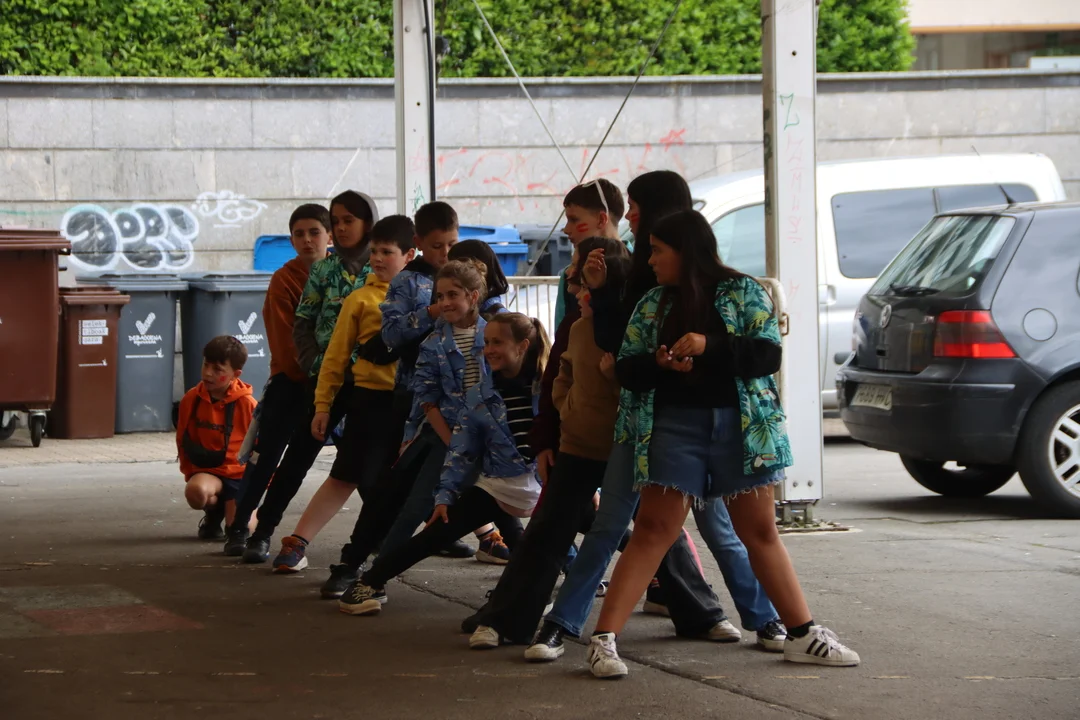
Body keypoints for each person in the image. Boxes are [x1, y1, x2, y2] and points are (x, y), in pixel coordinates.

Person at [588, 209, 860, 679]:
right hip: (672, 427)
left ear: (685, 251)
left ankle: (801, 634)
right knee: (653, 529)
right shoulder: (653, 302)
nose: (650, 260)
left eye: (657, 251)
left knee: (760, 532)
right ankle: (602, 642)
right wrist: (660, 364)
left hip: (744, 430)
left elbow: (766, 354)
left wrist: (708, 344)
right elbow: (629, 369)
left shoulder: (744, 291)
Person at [526, 171, 738, 663]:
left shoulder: (720, 290)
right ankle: (570, 625)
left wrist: (698, 352)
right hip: (631, 422)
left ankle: (763, 618)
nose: (632, 215)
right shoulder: (639, 283)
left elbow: (757, 354)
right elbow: (611, 353)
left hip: (684, 426)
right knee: (628, 528)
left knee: (709, 529)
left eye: (637, 205)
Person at [466, 237, 631, 649]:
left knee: (650, 532)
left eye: (584, 280)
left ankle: (700, 609)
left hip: (628, 443)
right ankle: (511, 620)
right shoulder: (577, 325)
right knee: (548, 530)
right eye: (576, 279)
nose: (574, 286)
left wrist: (612, 379)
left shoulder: (631, 324)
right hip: (577, 443)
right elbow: (560, 375)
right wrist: (558, 420)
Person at [337, 313, 548, 616]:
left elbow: (570, 435)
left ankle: (562, 591)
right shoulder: (480, 395)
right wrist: (445, 496)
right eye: (486, 342)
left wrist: (589, 486)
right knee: (436, 531)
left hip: (548, 483)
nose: (488, 350)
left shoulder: (550, 387)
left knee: (595, 530)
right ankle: (369, 583)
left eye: (497, 342)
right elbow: (461, 449)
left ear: (522, 345)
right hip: (497, 484)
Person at [270, 215, 416, 578]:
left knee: (412, 482)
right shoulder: (359, 300)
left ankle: (486, 533)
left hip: (412, 407)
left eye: (387, 252)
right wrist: (323, 405)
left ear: (409, 255)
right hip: (368, 402)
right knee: (345, 475)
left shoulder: (425, 298)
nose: (378, 258)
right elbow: (335, 358)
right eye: (374, 251)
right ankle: (298, 542)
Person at [241, 190, 378, 564]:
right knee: (296, 459)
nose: (342, 228)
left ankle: (381, 536)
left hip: (371, 386)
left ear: (368, 223)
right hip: (325, 383)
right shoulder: (322, 271)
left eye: (349, 220)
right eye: (337, 221)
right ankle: (262, 532)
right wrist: (317, 367)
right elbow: (303, 325)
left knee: (369, 464)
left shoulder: (381, 267)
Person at [224, 203, 331, 556]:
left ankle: (264, 532)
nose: (307, 240)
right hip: (292, 381)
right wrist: (320, 373)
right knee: (264, 458)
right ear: (291, 239)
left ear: (329, 236)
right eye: (299, 234)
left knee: (301, 464)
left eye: (314, 232)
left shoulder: (344, 277)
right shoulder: (284, 280)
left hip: (331, 387)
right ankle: (240, 527)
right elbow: (285, 345)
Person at [178, 336, 258, 539]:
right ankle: (214, 512)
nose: (208, 373)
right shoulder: (191, 399)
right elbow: (182, 438)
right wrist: (189, 472)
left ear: (235, 374)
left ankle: (244, 508)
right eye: (206, 364)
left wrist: (259, 486)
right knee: (195, 493)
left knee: (240, 532)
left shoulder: (248, 404)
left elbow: (262, 447)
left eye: (218, 369)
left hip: (239, 477)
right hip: (210, 472)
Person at [554, 179, 624, 329]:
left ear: (601, 219)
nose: (566, 229)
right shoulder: (569, 275)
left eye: (574, 220)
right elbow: (561, 332)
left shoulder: (638, 267)